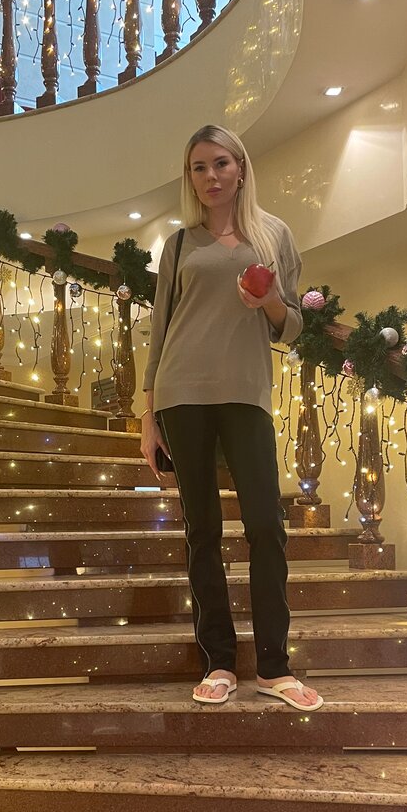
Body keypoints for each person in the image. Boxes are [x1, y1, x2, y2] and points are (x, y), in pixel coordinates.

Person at [140, 124, 323, 712]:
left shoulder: (273, 235)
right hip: (180, 392)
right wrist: (148, 418)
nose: (210, 176)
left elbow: (292, 325)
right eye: (198, 167)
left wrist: (266, 301)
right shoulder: (179, 244)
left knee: (266, 524)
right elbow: (160, 329)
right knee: (203, 530)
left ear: (240, 168)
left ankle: (274, 666)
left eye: (220, 163)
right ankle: (218, 662)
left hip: (246, 392)